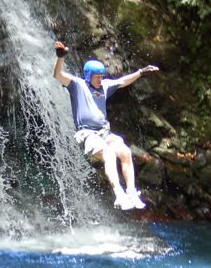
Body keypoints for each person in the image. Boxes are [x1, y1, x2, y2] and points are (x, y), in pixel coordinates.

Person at [52, 41, 159, 210]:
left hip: (105, 133)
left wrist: (140, 72)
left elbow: (123, 81)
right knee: (109, 155)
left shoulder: (105, 85)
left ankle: (131, 191)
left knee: (125, 152)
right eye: (97, 76)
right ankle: (119, 195)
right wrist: (60, 57)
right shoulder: (78, 85)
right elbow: (58, 74)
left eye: (102, 76)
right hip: (87, 134)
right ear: (88, 76)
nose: (101, 79)